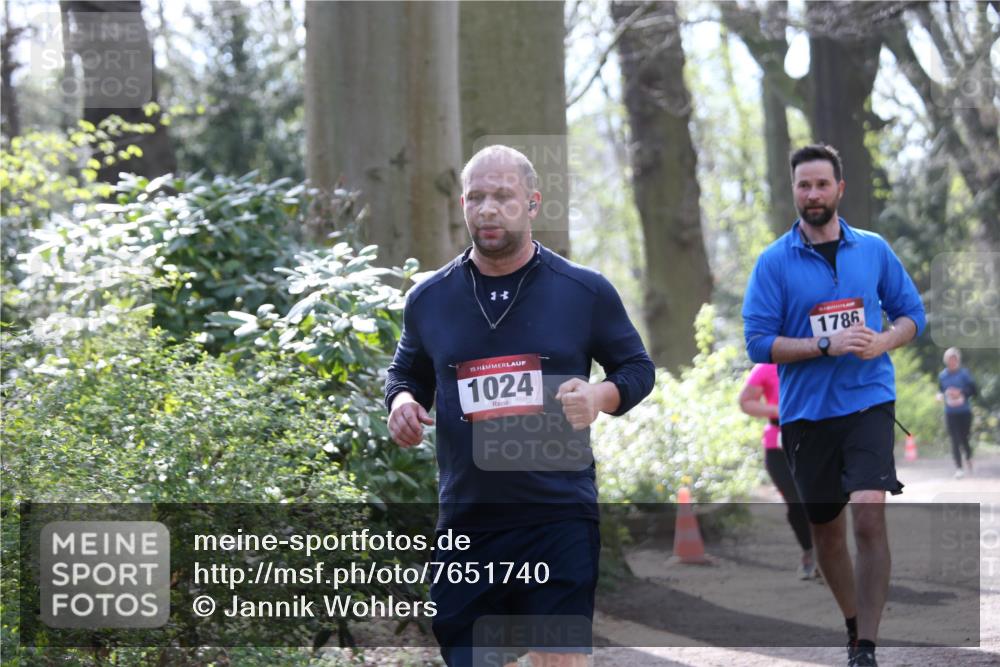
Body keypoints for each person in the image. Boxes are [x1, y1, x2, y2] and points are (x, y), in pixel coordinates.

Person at [385, 144, 655, 667]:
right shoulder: (429, 299)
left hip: (556, 514)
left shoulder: (584, 291)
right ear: (462, 203)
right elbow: (405, 374)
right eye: (477, 197)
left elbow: (638, 369)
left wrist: (599, 396)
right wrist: (400, 402)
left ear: (532, 204)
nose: (488, 209)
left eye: (504, 197)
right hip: (468, 518)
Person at [742, 144, 926, 667]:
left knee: (869, 515)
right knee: (827, 531)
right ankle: (851, 622)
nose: (814, 194)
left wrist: (883, 342)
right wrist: (822, 345)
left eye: (823, 184)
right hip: (805, 414)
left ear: (840, 189)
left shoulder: (872, 249)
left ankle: (866, 644)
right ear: (794, 191)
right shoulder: (774, 262)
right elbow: (758, 342)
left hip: (868, 399)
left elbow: (912, 314)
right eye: (804, 185)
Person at [738, 363, 817, 580]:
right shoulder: (766, 367)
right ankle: (809, 552)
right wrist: (778, 410)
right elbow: (745, 402)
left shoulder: (818, 359)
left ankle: (829, 553)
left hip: (816, 442)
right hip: (778, 446)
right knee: (796, 501)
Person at [937, 347, 977, 478]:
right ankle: (959, 468)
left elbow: (973, 390)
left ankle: (969, 457)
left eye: (954, 359)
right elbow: (941, 391)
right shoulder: (942, 376)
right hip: (950, 412)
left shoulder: (964, 374)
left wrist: (960, 392)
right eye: (950, 360)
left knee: (964, 438)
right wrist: (940, 396)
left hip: (964, 411)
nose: (952, 362)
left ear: (958, 360)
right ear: (946, 361)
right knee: (954, 439)